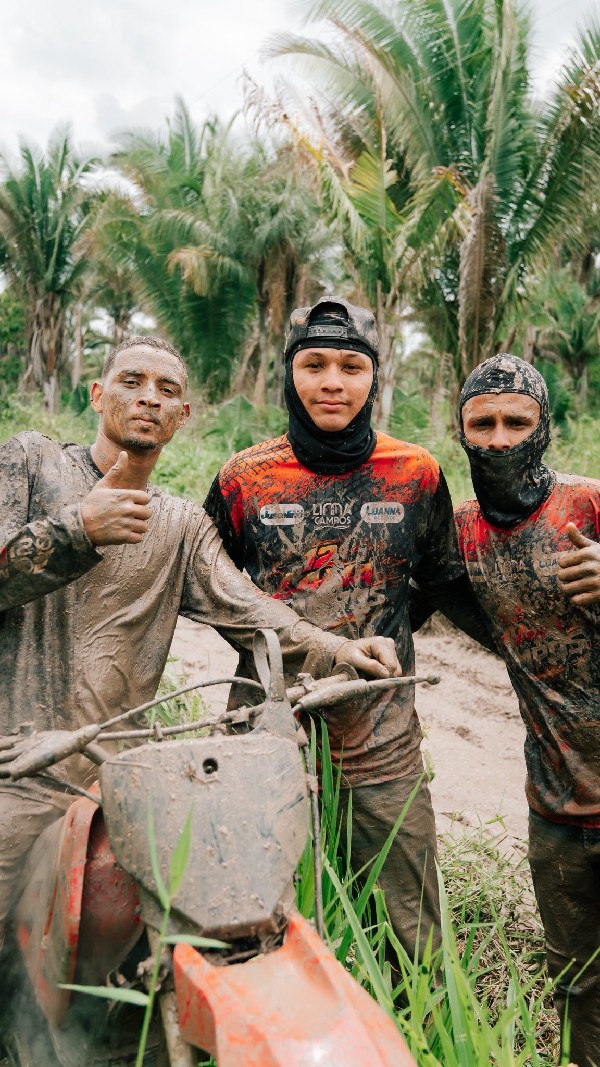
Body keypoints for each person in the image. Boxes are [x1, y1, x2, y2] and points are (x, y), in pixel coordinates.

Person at [0, 334, 401, 952]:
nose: (149, 398)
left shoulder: (180, 522)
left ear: (183, 415)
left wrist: (340, 649)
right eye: (131, 382)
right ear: (97, 394)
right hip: (16, 770)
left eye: (167, 390)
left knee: (131, 959)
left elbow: (252, 610)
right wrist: (78, 529)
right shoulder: (32, 463)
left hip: (119, 783)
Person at [204, 297, 469, 963]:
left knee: (411, 932)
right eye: (314, 364)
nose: (332, 382)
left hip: (380, 733)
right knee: (251, 913)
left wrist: (387, 630)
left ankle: (412, 1019)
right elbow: (214, 589)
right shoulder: (245, 478)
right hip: (268, 725)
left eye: (351, 366)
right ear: (288, 372)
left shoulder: (414, 473)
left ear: (374, 377)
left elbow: (443, 579)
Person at [430, 353, 600, 1067]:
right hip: (556, 808)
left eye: (516, 422)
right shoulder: (461, 533)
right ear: (462, 432)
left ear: (545, 426)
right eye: (483, 424)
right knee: (577, 982)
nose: (499, 439)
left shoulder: (588, 506)